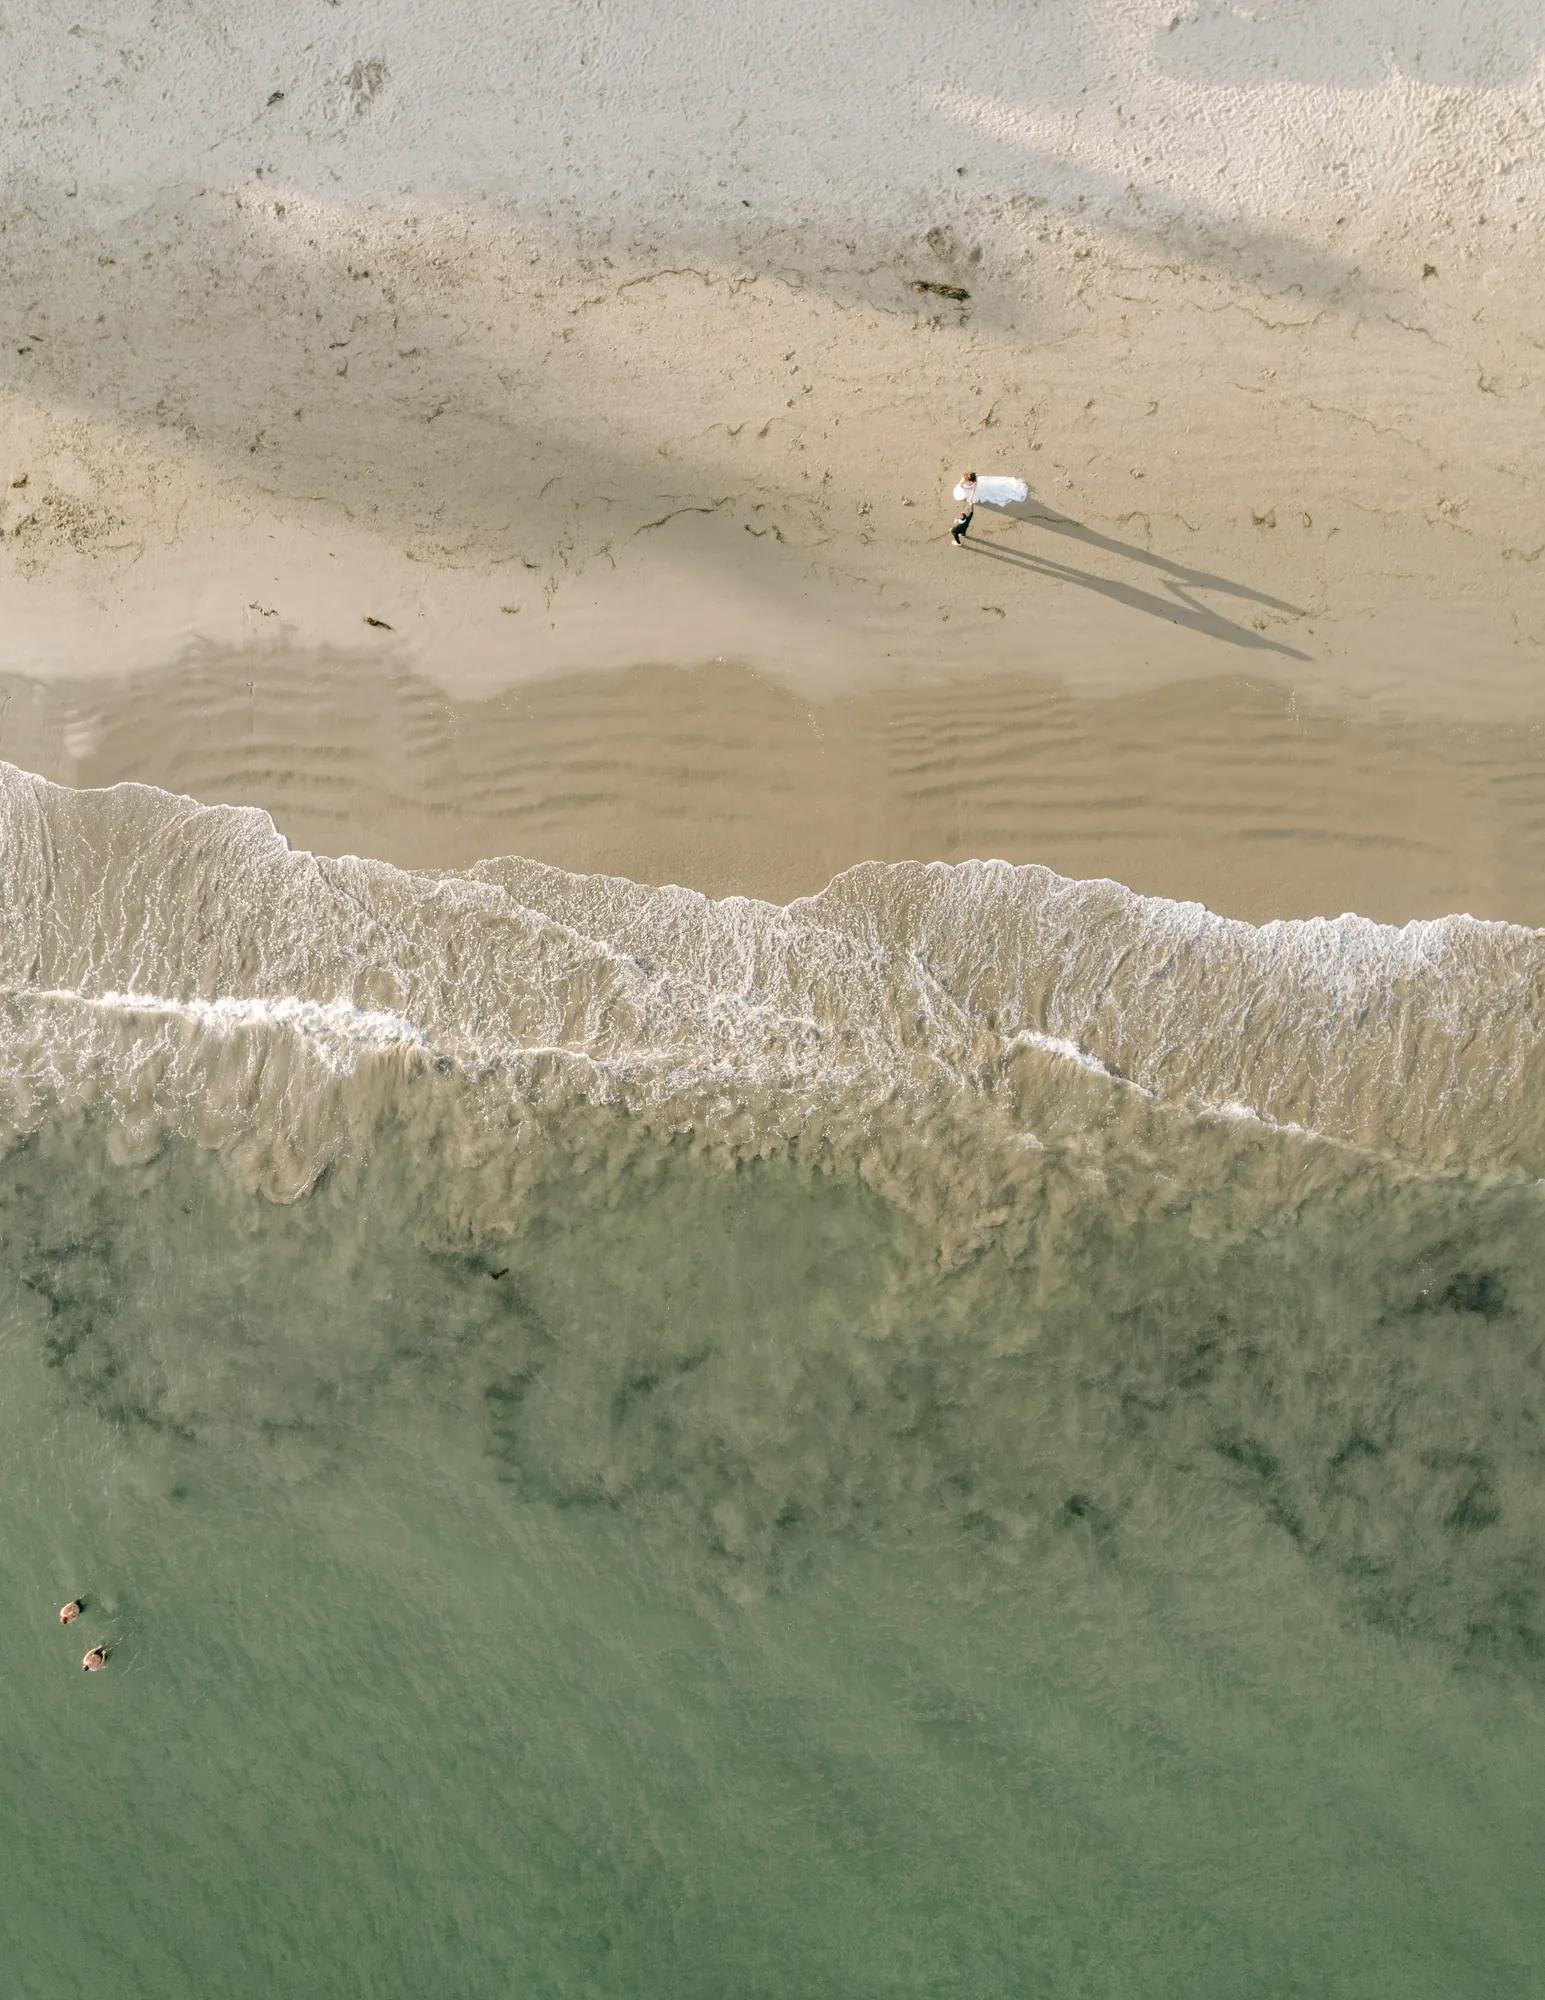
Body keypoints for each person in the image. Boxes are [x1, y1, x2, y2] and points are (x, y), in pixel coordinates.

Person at [950, 470, 978, 545]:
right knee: (963, 530)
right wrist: (971, 504)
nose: (961, 514)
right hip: (965, 527)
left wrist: (952, 529)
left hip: (961, 528)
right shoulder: (968, 519)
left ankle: (958, 543)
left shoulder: (960, 521)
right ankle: (963, 534)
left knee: (954, 532)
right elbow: (972, 512)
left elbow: (955, 525)